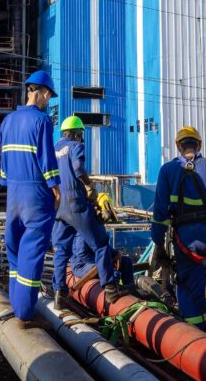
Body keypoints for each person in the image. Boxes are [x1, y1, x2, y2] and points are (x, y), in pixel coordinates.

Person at [150, 126, 206, 332]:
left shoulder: (167, 170)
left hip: (184, 239)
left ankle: (197, 332)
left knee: (190, 284)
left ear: (178, 146)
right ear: (199, 145)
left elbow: (160, 212)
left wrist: (158, 240)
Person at [0, 70, 61, 324]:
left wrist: (10, 184)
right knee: (32, 255)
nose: (48, 101)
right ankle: (25, 313)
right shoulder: (42, 121)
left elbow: (3, 167)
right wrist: (55, 188)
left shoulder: (7, 121)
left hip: (13, 196)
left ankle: (16, 305)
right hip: (36, 196)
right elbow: (47, 160)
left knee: (15, 253)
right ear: (44, 93)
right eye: (49, 97)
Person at [50, 116, 124, 309]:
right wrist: (89, 185)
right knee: (100, 244)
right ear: (76, 133)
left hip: (59, 207)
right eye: (81, 134)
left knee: (61, 251)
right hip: (76, 204)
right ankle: (109, 289)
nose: (81, 138)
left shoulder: (54, 149)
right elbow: (77, 167)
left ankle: (59, 294)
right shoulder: (75, 146)